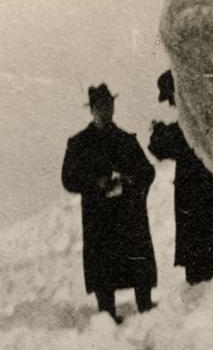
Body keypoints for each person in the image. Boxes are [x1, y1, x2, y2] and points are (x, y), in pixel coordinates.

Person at [61, 83, 158, 324]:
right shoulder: (79, 143)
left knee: (136, 259)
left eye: (109, 105)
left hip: (128, 213)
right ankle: (107, 313)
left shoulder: (126, 140)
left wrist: (128, 180)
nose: (106, 110)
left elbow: (147, 171)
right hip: (99, 216)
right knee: (103, 264)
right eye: (101, 106)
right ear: (92, 109)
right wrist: (96, 182)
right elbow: (68, 179)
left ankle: (145, 305)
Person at [148, 71, 213, 285]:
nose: (172, 104)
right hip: (212, 207)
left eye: (172, 98)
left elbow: (160, 146)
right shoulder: (207, 118)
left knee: (205, 276)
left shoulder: (190, 126)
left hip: (198, 209)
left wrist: (157, 131)